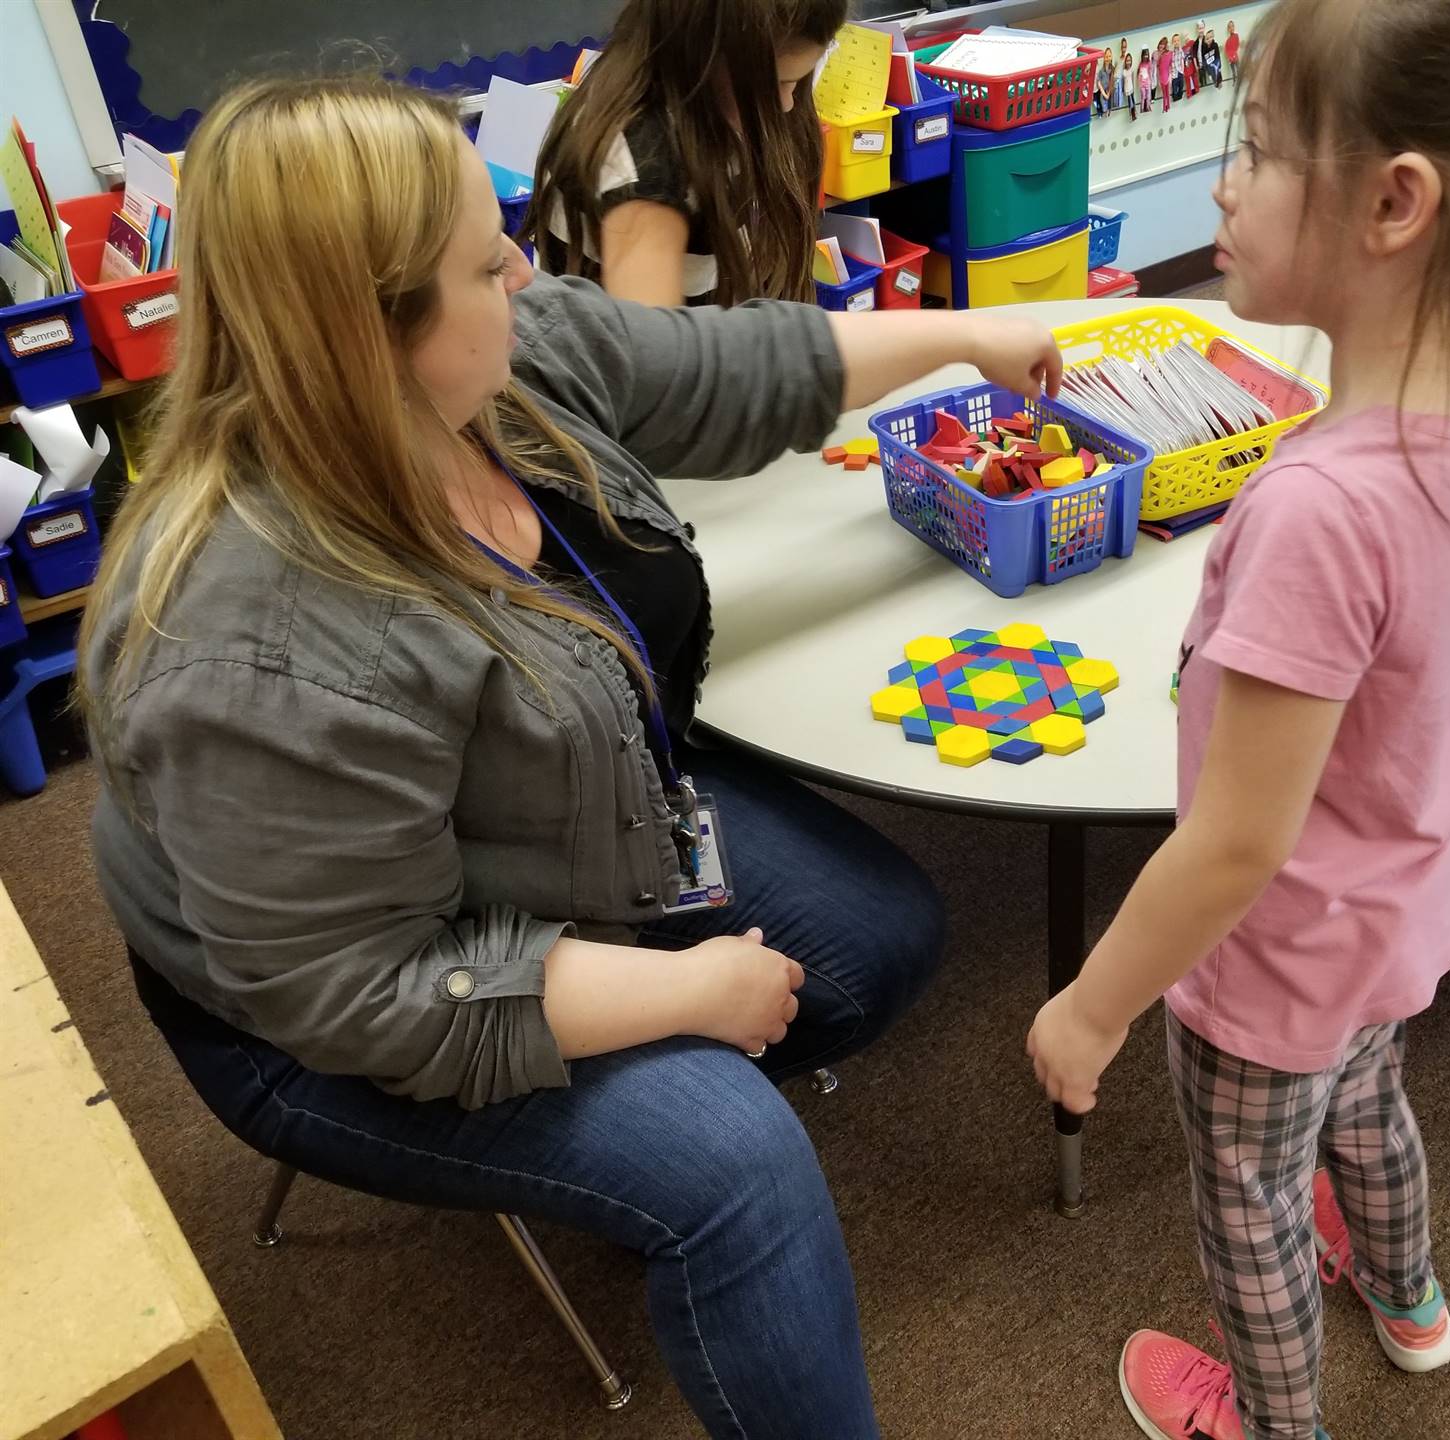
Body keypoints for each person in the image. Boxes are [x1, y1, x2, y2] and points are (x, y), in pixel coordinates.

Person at [80, 75, 1064, 1440]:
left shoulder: (492, 364)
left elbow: (729, 370)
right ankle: (661, 1168)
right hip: (323, 1011)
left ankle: (617, 1148)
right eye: (489, 262)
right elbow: (368, 991)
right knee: (738, 1161)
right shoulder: (253, 646)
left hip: (564, 821)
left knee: (880, 938)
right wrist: (679, 996)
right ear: (373, 336)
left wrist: (982, 338)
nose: (527, 273)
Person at [1023, 2, 1450, 1437]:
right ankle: (1411, 1298)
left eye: (1252, 154)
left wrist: (1091, 1005)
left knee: (1248, 1193)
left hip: (1271, 959)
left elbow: (1235, 846)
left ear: (1393, 203)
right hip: (1400, 910)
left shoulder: (1319, 508)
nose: (1221, 190)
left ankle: (1271, 1419)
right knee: (1368, 1111)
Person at [529, 0, 844, 306]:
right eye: (778, 83)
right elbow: (655, 352)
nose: (788, 104)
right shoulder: (643, 171)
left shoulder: (699, 107)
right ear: (704, 55)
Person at [1137, 43, 1156, 117]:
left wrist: (1151, 82)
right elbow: (1139, 74)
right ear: (1142, 55)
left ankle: (1148, 107)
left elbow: (1150, 73)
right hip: (1142, 84)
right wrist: (1139, 83)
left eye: (1147, 54)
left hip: (1148, 83)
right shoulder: (1141, 64)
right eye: (1144, 54)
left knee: (1148, 96)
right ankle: (1142, 109)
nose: (1146, 56)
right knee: (1143, 96)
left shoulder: (1149, 63)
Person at [1096, 47, 1116, 116]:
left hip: (1110, 93)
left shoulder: (1113, 69)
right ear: (1104, 58)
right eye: (1106, 56)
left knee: (1109, 109)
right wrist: (1104, 94)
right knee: (1104, 109)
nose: (1108, 58)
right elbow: (1098, 82)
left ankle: (1108, 111)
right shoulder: (1101, 71)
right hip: (1103, 94)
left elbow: (1112, 82)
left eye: (1109, 56)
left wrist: (1108, 93)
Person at [1119, 40, 1136, 119]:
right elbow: (1122, 81)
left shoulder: (1132, 69)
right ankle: (1131, 113)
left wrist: (1134, 88)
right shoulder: (1124, 71)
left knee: (1133, 100)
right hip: (1127, 88)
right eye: (1127, 61)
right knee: (1130, 102)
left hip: (1131, 88)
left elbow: (1132, 78)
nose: (1128, 62)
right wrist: (1122, 90)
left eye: (1129, 60)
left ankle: (1134, 113)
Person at [1158, 36, 1176, 110]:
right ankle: (1165, 107)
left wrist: (1171, 75)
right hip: (1162, 76)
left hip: (1167, 76)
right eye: (1161, 44)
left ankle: (1167, 107)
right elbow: (1158, 66)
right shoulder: (1160, 55)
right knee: (1164, 94)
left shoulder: (1171, 53)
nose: (1162, 46)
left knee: (1167, 94)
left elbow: (1172, 64)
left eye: (1164, 44)